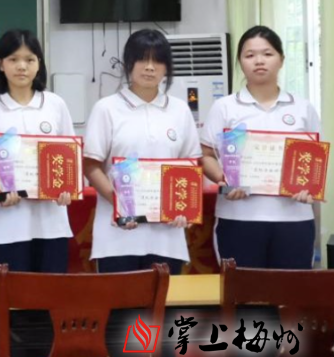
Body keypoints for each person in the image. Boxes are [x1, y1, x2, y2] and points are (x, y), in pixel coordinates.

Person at [201, 26, 321, 269]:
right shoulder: (225, 107)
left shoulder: (302, 108)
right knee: (242, 290)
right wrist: (224, 180)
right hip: (238, 217)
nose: (259, 61)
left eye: (267, 54)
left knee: (291, 290)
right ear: (240, 62)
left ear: (281, 59)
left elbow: (314, 161)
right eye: (250, 55)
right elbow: (206, 155)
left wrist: (308, 187)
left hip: (294, 218)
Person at [83, 29, 198, 274]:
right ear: (128, 63)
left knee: (166, 300)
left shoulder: (180, 111)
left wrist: (184, 207)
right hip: (118, 236)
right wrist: (119, 203)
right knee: (121, 300)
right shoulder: (106, 108)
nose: (149, 67)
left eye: (157, 60)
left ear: (167, 67)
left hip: (167, 237)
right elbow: (91, 166)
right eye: (142, 59)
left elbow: (191, 165)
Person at [0, 29, 74, 273]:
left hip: (52, 223)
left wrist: (67, 188)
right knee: (14, 295)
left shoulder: (55, 104)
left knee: (51, 293)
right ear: (0, 64)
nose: (22, 66)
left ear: (39, 64)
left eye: (29, 59)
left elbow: (70, 158)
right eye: (13, 59)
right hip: (9, 224)